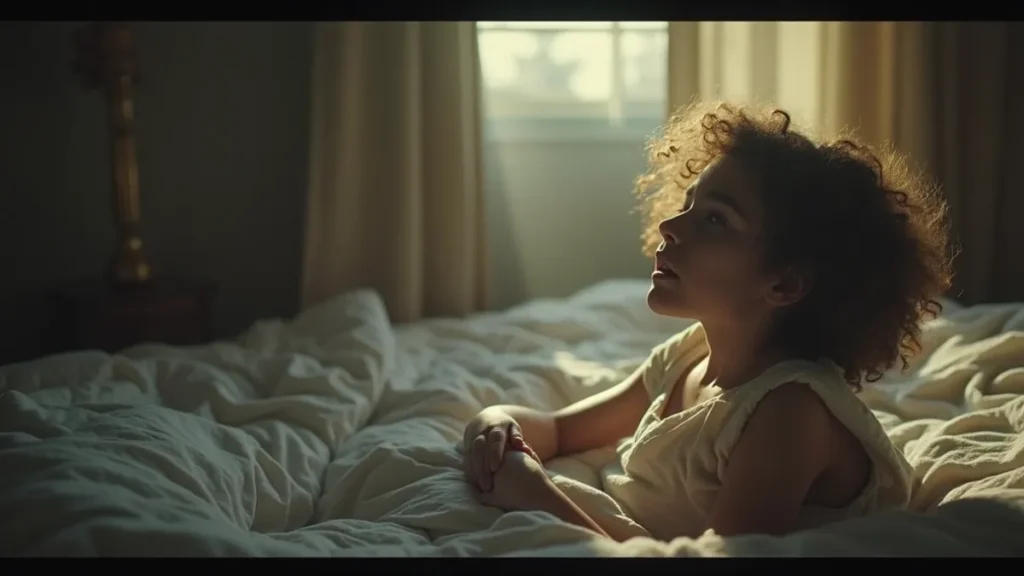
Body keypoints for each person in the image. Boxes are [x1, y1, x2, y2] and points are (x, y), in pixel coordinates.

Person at [461, 100, 953, 542]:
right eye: (687, 204)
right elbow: (559, 430)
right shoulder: (689, 355)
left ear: (784, 284)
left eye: (716, 219)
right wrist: (495, 425)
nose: (669, 227)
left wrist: (535, 496)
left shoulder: (788, 414)